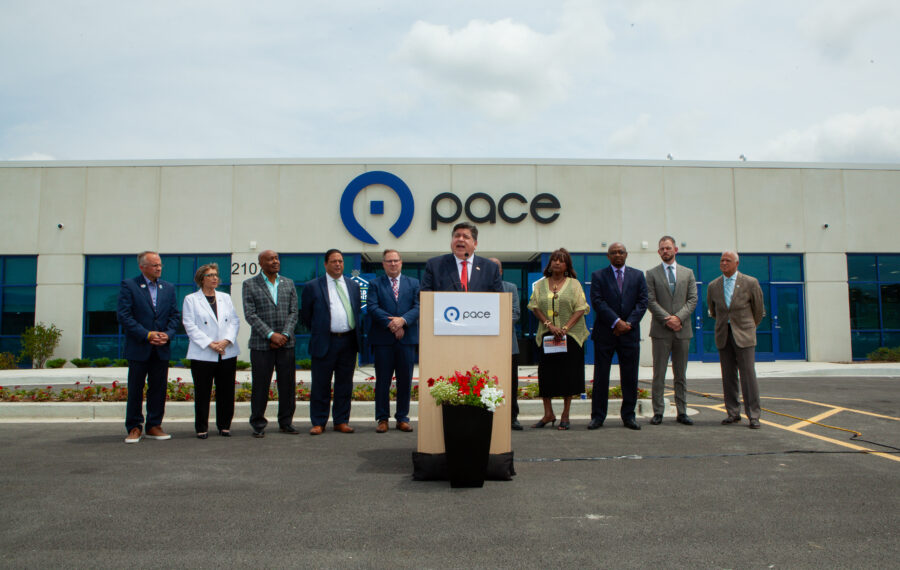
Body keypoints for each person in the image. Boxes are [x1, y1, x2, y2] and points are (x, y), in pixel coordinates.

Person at [117, 251, 181, 444]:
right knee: (136, 389)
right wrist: (146, 334)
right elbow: (124, 316)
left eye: (160, 264)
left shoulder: (168, 288)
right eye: (154, 265)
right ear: (142, 267)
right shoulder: (130, 286)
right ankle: (134, 427)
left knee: (158, 389)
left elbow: (174, 316)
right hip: (139, 347)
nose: (159, 268)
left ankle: (154, 425)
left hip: (161, 349)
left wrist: (167, 335)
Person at [527, 248, 590, 430]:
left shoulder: (574, 284)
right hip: (548, 337)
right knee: (546, 376)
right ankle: (548, 414)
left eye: (561, 261)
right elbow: (534, 305)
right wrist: (549, 325)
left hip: (570, 337)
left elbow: (581, 308)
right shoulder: (540, 284)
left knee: (568, 376)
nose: (557, 263)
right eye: (554, 259)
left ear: (567, 265)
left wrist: (564, 328)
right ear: (550, 264)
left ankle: (565, 415)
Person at [301, 249, 362, 435]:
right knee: (321, 384)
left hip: (348, 341)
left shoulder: (353, 286)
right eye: (334, 261)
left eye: (341, 261)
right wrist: (321, 331)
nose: (338, 264)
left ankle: (341, 421)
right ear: (326, 264)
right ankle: (319, 422)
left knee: (344, 384)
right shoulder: (313, 286)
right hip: (325, 342)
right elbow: (306, 317)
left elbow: (356, 311)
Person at [589, 242, 648, 431]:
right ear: (608, 256)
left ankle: (629, 416)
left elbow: (642, 302)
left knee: (630, 377)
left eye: (621, 252)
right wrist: (616, 322)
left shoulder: (638, 275)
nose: (617, 255)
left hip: (629, 334)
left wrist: (628, 324)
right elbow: (598, 301)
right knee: (601, 377)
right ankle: (598, 417)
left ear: (626, 254)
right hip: (605, 333)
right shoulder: (598, 275)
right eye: (613, 252)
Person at [242, 250, 299, 438]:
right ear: (260, 263)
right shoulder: (249, 284)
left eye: (276, 258)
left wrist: (283, 334)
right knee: (260, 386)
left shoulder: (288, 283)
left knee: (287, 386)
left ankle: (286, 422)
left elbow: (293, 312)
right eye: (270, 259)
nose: (275, 261)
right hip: (261, 345)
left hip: (286, 344)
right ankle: (258, 424)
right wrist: (270, 335)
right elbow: (250, 315)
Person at [707, 251, 766, 429]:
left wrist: (748, 326)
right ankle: (733, 412)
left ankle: (753, 415)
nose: (724, 263)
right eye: (722, 260)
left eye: (728, 260)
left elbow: (758, 310)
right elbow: (713, 310)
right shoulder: (713, 285)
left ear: (736, 263)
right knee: (728, 376)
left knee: (748, 375)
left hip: (744, 335)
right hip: (724, 335)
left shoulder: (750, 283)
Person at [182, 263, 240, 439]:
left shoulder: (225, 297)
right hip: (203, 353)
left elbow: (234, 321)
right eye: (210, 275)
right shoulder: (191, 299)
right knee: (202, 391)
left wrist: (226, 341)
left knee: (226, 390)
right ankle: (202, 427)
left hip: (226, 352)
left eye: (216, 275)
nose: (215, 278)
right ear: (201, 279)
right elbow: (189, 325)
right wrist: (210, 344)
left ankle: (224, 425)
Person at [645, 236, 698, 426]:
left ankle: (682, 411)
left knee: (680, 373)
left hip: (682, 331)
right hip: (661, 331)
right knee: (659, 373)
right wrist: (668, 319)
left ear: (675, 249)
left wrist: (678, 318)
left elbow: (692, 299)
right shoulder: (651, 274)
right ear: (659, 252)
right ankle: (658, 411)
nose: (665, 251)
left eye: (668, 248)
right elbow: (650, 301)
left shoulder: (688, 273)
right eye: (662, 249)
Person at [367, 249, 420, 433]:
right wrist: (392, 325)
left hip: (407, 340)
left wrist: (402, 322)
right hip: (383, 341)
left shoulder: (413, 283)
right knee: (383, 381)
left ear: (401, 262)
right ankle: (382, 419)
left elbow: (418, 306)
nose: (393, 264)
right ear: (383, 264)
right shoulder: (375, 284)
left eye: (396, 260)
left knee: (405, 381)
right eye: (389, 261)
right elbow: (372, 307)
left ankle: (402, 418)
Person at [420, 222, 503, 293]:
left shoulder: (490, 268)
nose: (460, 239)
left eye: (466, 237)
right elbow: (424, 297)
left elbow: (500, 300)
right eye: (457, 236)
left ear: (475, 244)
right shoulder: (435, 265)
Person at [489, 257, 523, 430]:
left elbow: (515, 314)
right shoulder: (477, 289)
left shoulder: (510, 288)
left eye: (497, 268)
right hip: (485, 347)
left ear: (501, 272)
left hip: (508, 345)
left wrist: (493, 326)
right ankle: (489, 417)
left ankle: (512, 417)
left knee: (511, 383)